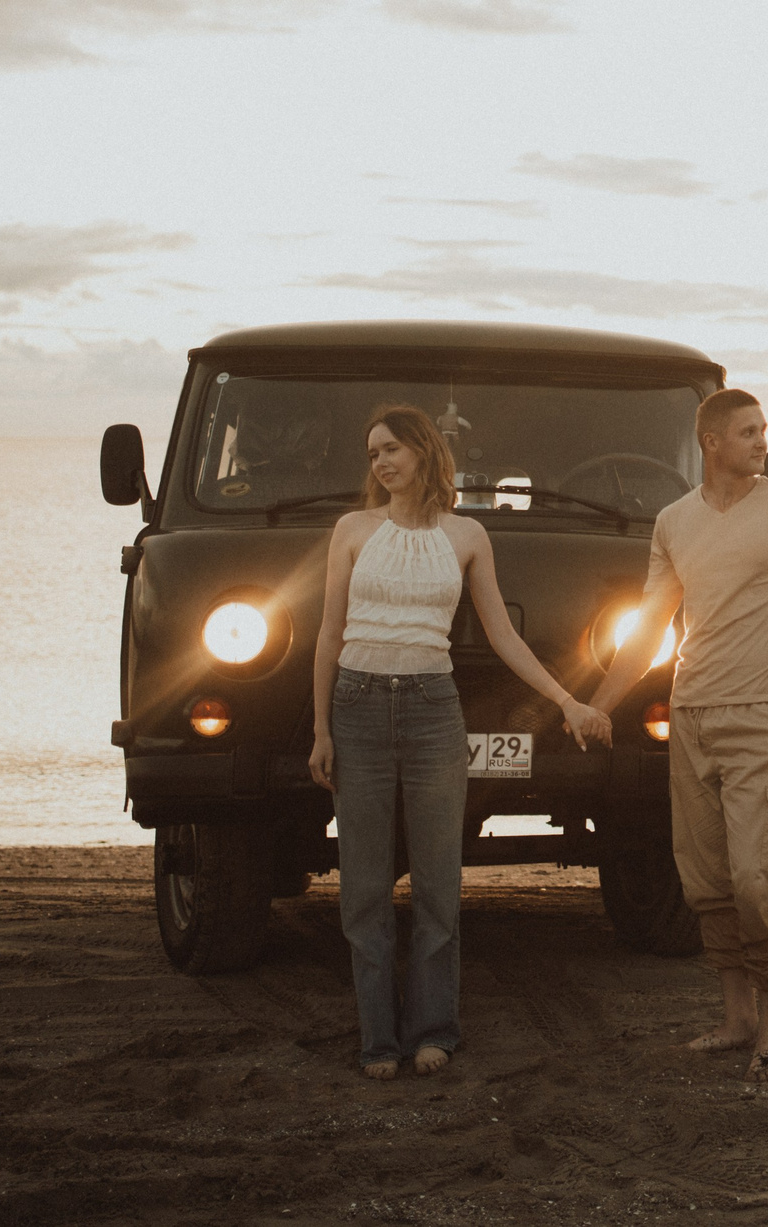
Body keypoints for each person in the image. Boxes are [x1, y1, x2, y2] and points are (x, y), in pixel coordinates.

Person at [307, 403, 604, 1080]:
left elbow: (502, 635)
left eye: (390, 449)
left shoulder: (468, 534)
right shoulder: (352, 529)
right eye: (371, 452)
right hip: (356, 707)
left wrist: (566, 699)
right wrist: (320, 727)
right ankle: (378, 1038)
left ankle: (434, 1029)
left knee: (439, 880)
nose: (379, 461)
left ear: (422, 451)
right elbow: (329, 632)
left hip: (433, 709)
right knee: (365, 886)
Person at [583, 387, 768, 1081]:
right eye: (749, 432)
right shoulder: (674, 521)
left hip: (761, 717)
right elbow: (651, 627)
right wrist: (600, 701)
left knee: (760, 881)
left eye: (763, 430)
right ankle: (736, 1017)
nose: (763, 441)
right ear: (712, 443)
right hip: (691, 715)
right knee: (709, 883)